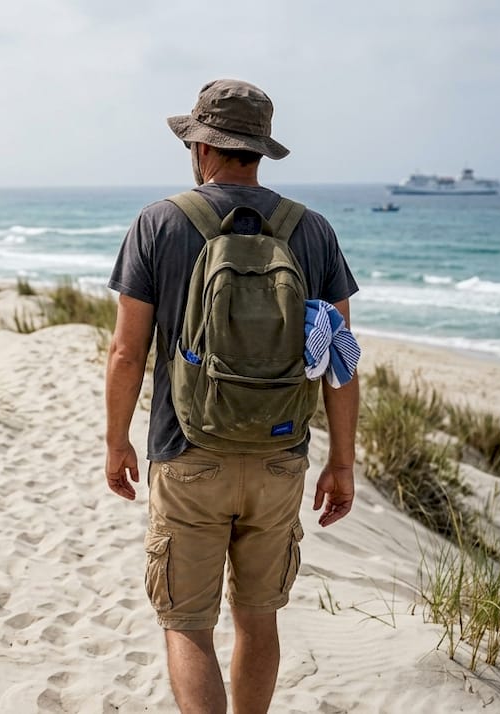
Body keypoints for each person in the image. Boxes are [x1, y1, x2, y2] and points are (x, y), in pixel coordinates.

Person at [104, 79, 360, 714]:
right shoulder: (312, 230)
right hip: (279, 458)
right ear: (260, 151)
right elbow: (341, 361)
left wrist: (117, 443)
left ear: (200, 146)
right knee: (258, 620)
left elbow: (126, 352)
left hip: (188, 452)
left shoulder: (160, 222)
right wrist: (343, 461)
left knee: (188, 625)